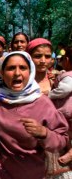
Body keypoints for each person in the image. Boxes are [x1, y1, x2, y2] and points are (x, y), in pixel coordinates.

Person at [0, 51, 68, 179]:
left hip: (32, 173)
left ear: (30, 72)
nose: (17, 73)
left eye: (23, 68)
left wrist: (44, 133)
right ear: (1, 73)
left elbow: (62, 140)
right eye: (11, 68)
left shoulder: (43, 103)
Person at [46, 45, 72, 178]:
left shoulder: (69, 76)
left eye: (61, 60)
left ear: (67, 59)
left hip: (67, 112)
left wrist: (50, 94)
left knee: (68, 134)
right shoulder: (64, 74)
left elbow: (65, 89)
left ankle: (70, 153)